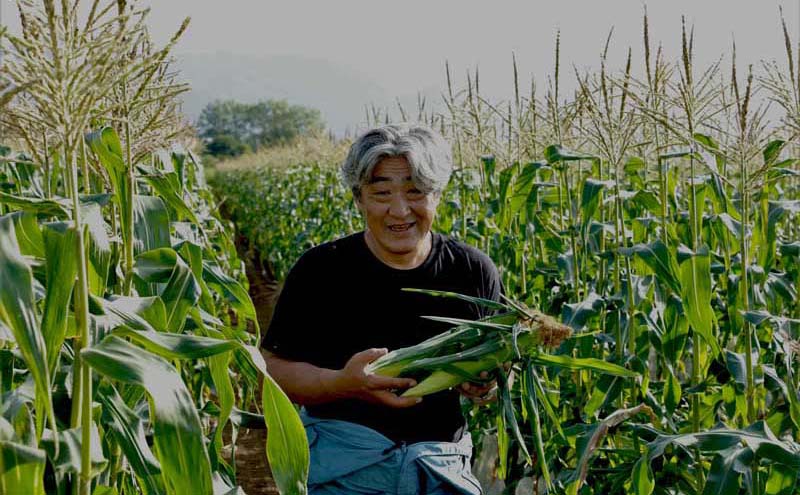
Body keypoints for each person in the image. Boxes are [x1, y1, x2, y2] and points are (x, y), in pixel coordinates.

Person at [261, 123, 503, 495]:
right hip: (343, 472)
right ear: (359, 199)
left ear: (437, 194)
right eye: (382, 193)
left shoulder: (472, 271)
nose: (400, 210)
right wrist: (342, 384)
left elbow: (496, 373)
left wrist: (484, 384)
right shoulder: (321, 270)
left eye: (415, 191)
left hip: (439, 470)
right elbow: (272, 371)